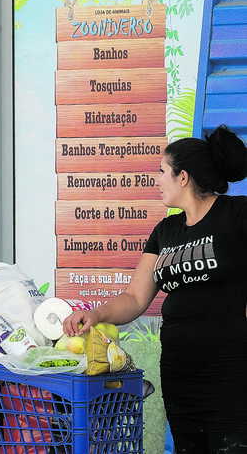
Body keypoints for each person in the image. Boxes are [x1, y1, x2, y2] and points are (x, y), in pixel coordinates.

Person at [63, 125, 247, 454]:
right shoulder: (165, 231)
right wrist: (95, 313)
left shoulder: (236, 214)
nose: (157, 179)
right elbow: (135, 298)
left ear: (183, 177)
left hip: (232, 374)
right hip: (181, 374)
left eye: (162, 171)